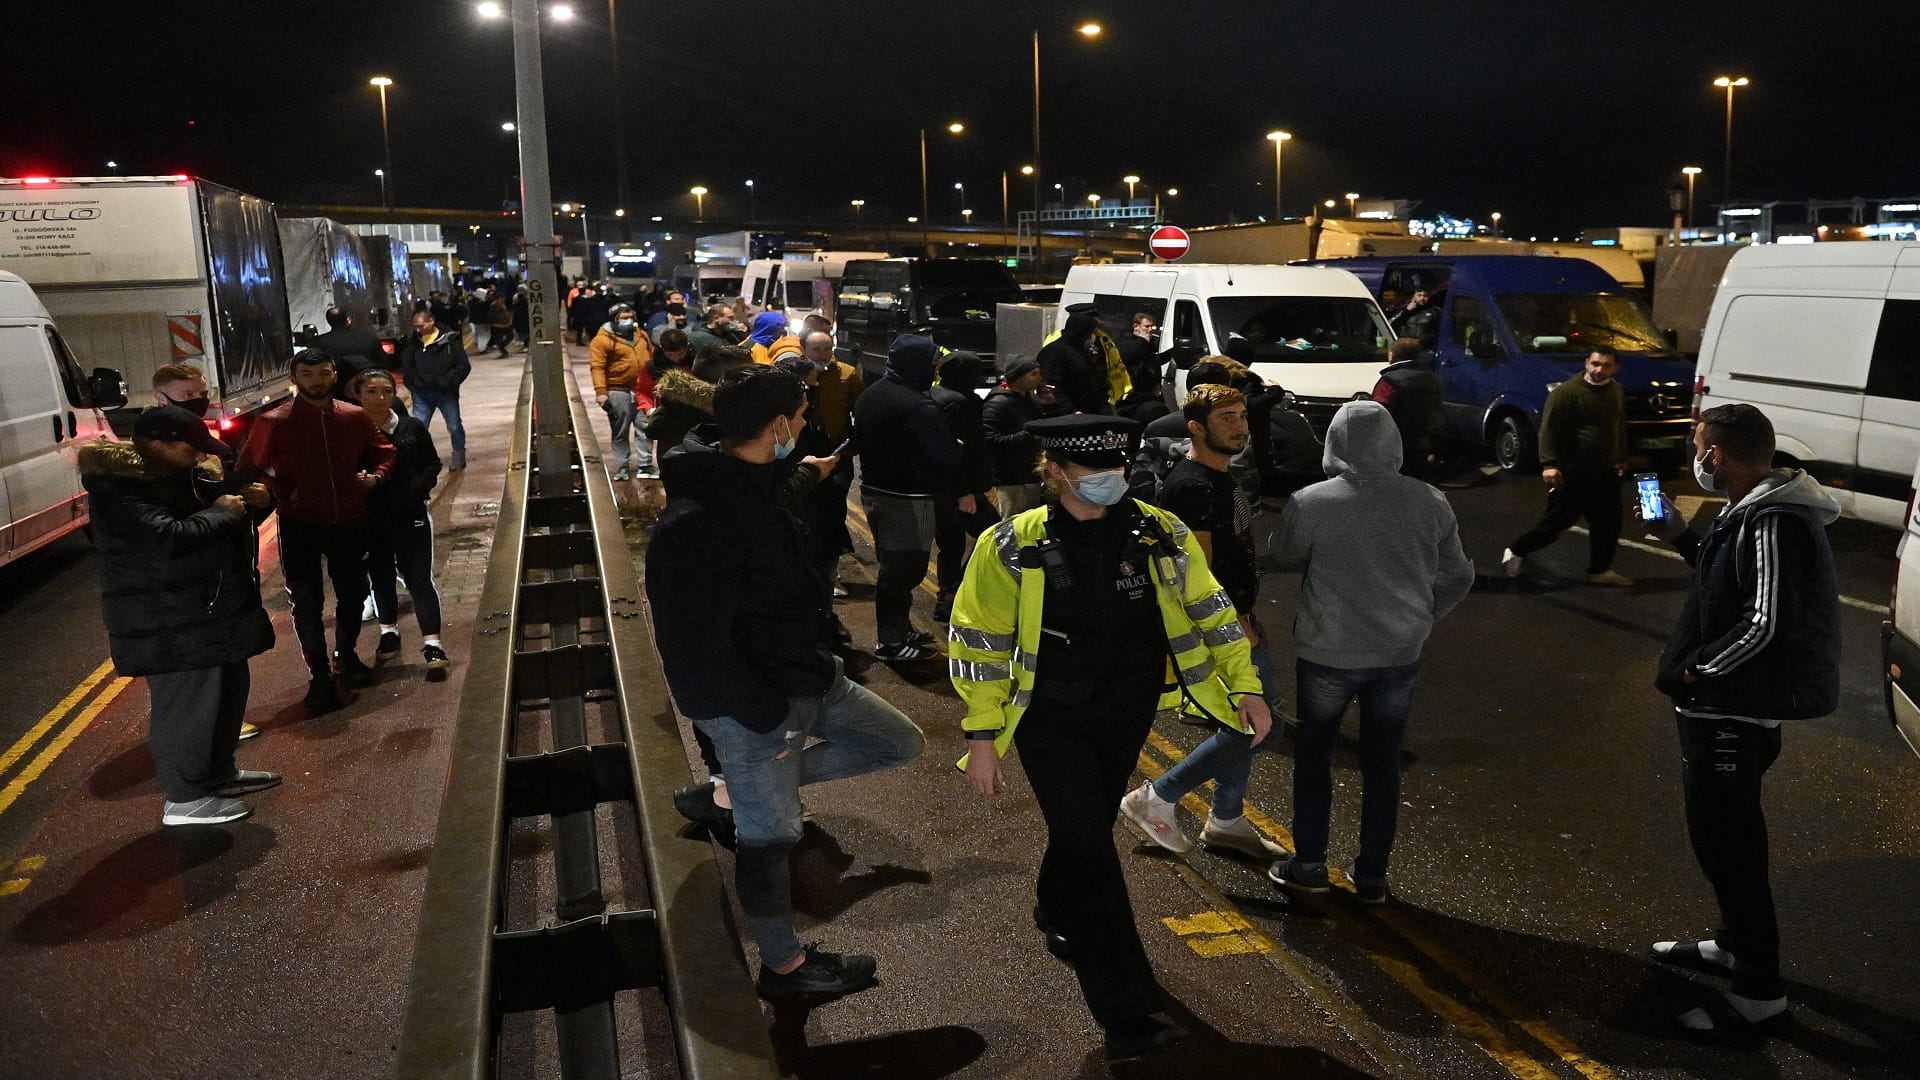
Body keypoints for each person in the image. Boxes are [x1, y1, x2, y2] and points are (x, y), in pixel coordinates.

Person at [948, 413, 1267, 1062]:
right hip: (1050, 721)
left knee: (1082, 831)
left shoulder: (1159, 532)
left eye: (1117, 468)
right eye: (1094, 471)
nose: (1110, 480)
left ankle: (1052, 903)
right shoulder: (1010, 545)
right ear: (1056, 472)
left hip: (1126, 710)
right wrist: (983, 734)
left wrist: (1246, 686)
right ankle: (1127, 1013)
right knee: (1092, 849)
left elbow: (1213, 610)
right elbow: (978, 642)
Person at [647, 365, 924, 1001]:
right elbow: (689, 646)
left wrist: (812, 471)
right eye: (798, 418)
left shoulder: (752, 480)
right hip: (758, 707)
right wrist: (760, 716)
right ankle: (785, 968)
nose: (802, 426)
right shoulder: (696, 520)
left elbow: (773, 495)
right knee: (769, 839)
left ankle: (734, 791)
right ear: (776, 426)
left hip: (810, 676)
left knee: (898, 743)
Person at [1644, 403, 1840, 1037]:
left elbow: (1764, 619)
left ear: (1718, 455)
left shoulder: (1775, 517)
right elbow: (1725, 581)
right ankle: (1734, 945)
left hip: (1732, 709)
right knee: (1720, 838)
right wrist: (1680, 535)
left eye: (1700, 448)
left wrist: (1703, 669)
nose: (1697, 460)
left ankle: (1758, 994)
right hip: (1723, 706)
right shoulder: (1751, 507)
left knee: (1730, 846)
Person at [1265, 400, 1474, 902]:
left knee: (1315, 757)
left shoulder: (1312, 501)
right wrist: (1424, 618)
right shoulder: (1430, 501)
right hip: (1398, 654)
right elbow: (1460, 575)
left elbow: (1284, 555)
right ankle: (1373, 876)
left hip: (1328, 652)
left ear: (1334, 444)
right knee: (1382, 764)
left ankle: (1310, 864)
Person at [82, 406, 279, 826]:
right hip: (168, 619)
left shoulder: (180, 476)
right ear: (157, 445)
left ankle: (216, 774)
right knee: (187, 709)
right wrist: (223, 511)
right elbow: (169, 538)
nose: (198, 457)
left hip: (206, 611)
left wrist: (253, 502)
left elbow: (215, 519)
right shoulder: (118, 489)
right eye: (191, 448)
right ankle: (185, 799)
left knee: (225, 697)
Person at [1121, 384, 1286, 859]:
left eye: (1242, 416)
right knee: (1261, 724)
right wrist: (1236, 625)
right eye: (1227, 419)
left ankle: (1226, 818)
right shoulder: (1191, 486)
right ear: (1196, 427)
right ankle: (1158, 796)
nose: (1241, 426)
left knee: (1242, 720)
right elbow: (1199, 572)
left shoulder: (1218, 476)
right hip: (1227, 626)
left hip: (1241, 617)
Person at [239, 349, 395, 714]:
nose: (316, 380)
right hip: (300, 523)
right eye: (307, 374)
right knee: (307, 603)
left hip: (350, 519)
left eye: (323, 373)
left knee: (354, 593)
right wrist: (279, 490)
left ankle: (346, 654)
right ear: (295, 378)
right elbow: (250, 467)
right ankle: (319, 675)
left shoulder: (353, 416)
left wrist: (376, 477)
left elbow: (385, 451)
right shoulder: (273, 422)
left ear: (334, 375)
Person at [851, 334, 965, 660]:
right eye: (933, 365)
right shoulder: (916, 405)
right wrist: (955, 447)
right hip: (907, 499)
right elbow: (947, 456)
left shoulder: (871, 394)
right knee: (903, 571)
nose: (936, 372)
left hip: (878, 491)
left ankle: (900, 629)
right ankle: (891, 641)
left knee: (898, 567)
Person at [348, 368, 449, 680]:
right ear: (358, 395)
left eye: (387, 391)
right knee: (380, 578)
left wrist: (415, 489)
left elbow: (432, 463)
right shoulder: (351, 430)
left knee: (420, 580)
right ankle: (388, 631)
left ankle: (433, 644)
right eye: (372, 392)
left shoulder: (411, 427)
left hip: (410, 516)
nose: (380, 398)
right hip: (370, 519)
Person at [1500, 346, 1631, 585]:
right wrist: (1549, 464)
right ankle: (1517, 550)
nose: (1599, 370)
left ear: (1615, 368)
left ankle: (1599, 570)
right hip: (1574, 471)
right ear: (1586, 363)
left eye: (1606, 365)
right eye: (1595, 364)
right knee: (1556, 523)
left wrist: (1620, 456)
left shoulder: (1615, 390)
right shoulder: (1567, 392)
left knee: (1609, 522)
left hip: (1604, 471)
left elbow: (1617, 425)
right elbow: (1549, 430)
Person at [929, 351, 999, 622]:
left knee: (952, 544)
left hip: (946, 488)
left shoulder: (937, 394)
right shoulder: (957, 403)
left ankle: (947, 597)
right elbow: (955, 452)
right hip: (959, 489)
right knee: (990, 533)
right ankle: (953, 594)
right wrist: (963, 492)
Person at [803, 330, 862, 598]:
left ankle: (831, 572)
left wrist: (849, 447)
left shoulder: (847, 374)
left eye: (826, 349)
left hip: (837, 456)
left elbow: (858, 412)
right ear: (804, 349)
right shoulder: (796, 375)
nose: (822, 355)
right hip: (805, 456)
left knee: (834, 512)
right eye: (816, 349)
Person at [981, 357, 1064, 518]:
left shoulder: (1029, 400)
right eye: (1034, 374)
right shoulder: (998, 403)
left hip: (1029, 473)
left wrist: (1050, 405)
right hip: (1011, 478)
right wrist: (1030, 434)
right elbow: (991, 440)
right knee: (1011, 524)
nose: (1039, 378)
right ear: (1019, 377)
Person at [398, 306, 471, 472]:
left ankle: (459, 454)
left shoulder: (450, 340)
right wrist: (413, 385)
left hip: (445, 393)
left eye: (421, 325)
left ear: (431, 321)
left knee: (454, 425)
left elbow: (463, 365)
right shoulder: (412, 342)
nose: (418, 329)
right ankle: (419, 459)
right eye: (415, 326)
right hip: (421, 393)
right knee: (418, 427)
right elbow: (407, 366)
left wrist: (450, 382)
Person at [591, 302, 658, 481]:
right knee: (620, 430)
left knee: (645, 427)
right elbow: (597, 367)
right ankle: (622, 466)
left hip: (642, 390)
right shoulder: (603, 340)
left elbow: (651, 358)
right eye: (624, 318)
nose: (629, 321)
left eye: (631, 317)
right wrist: (601, 392)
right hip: (618, 390)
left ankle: (645, 465)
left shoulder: (640, 335)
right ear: (614, 319)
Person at [1371, 336, 1447, 477]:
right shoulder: (1433, 377)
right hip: (1426, 443)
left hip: (1398, 446)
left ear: (1392, 355)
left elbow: (1380, 414)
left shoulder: (1390, 381)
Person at [1037, 302, 1127, 415]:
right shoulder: (1054, 351)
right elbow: (1050, 386)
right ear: (1081, 330)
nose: (1092, 336)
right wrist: (1071, 411)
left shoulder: (1084, 349)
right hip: (1070, 417)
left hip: (1095, 410)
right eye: (1089, 332)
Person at [310, 307, 381, 396]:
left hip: (336, 394)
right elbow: (384, 365)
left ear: (329, 322)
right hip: (368, 391)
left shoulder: (319, 343)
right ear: (348, 320)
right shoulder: (369, 338)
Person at [1115, 311, 1168, 423]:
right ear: (1136, 326)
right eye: (1146, 326)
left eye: (1152, 326)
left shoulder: (1148, 343)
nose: (1150, 330)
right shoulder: (1129, 343)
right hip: (1135, 396)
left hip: (1152, 393)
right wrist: (1142, 342)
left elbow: (1153, 362)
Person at [485, 286, 514, 358]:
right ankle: (504, 352)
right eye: (502, 298)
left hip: (506, 324)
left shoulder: (503, 304)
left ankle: (502, 347)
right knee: (499, 340)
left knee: (510, 336)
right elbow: (491, 316)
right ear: (498, 299)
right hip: (497, 326)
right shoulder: (493, 306)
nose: (503, 299)